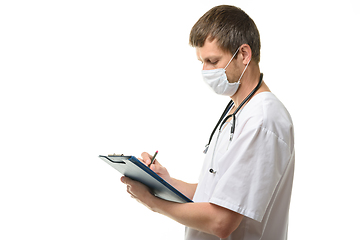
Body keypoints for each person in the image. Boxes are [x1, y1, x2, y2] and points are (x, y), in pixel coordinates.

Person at [121, 5, 295, 240]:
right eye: (202, 62)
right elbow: (216, 196)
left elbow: (222, 221)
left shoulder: (263, 119)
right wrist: (166, 182)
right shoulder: (239, 111)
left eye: (213, 61)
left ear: (244, 54)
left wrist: (154, 203)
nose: (205, 71)